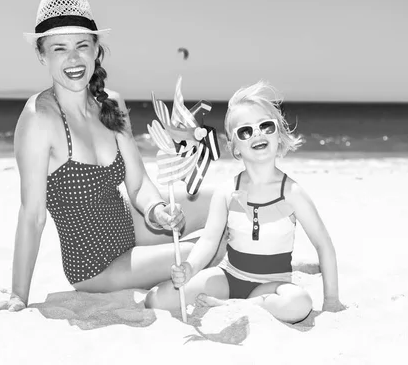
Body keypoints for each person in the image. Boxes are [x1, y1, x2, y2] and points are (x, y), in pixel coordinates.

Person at [0, 0, 201, 315]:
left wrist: (158, 211)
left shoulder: (112, 102)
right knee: (205, 247)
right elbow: (32, 215)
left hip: (133, 227)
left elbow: (138, 185)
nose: (73, 58)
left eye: (82, 45)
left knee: (224, 206)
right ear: (42, 55)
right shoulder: (39, 121)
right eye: (59, 48)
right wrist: (18, 296)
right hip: (98, 266)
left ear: (96, 49)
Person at [145, 81, 345, 323]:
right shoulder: (227, 191)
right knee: (156, 299)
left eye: (266, 126)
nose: (257, 133)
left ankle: (238, 306)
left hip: (272, 286)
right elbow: (209, 241)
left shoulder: (292, 193)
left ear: (278, 135)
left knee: (299, 303)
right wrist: (189, 267)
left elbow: (323, 245)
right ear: (235, 147)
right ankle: (233, 303)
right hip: (228, 278)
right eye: (245, 131)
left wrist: (331, 300)